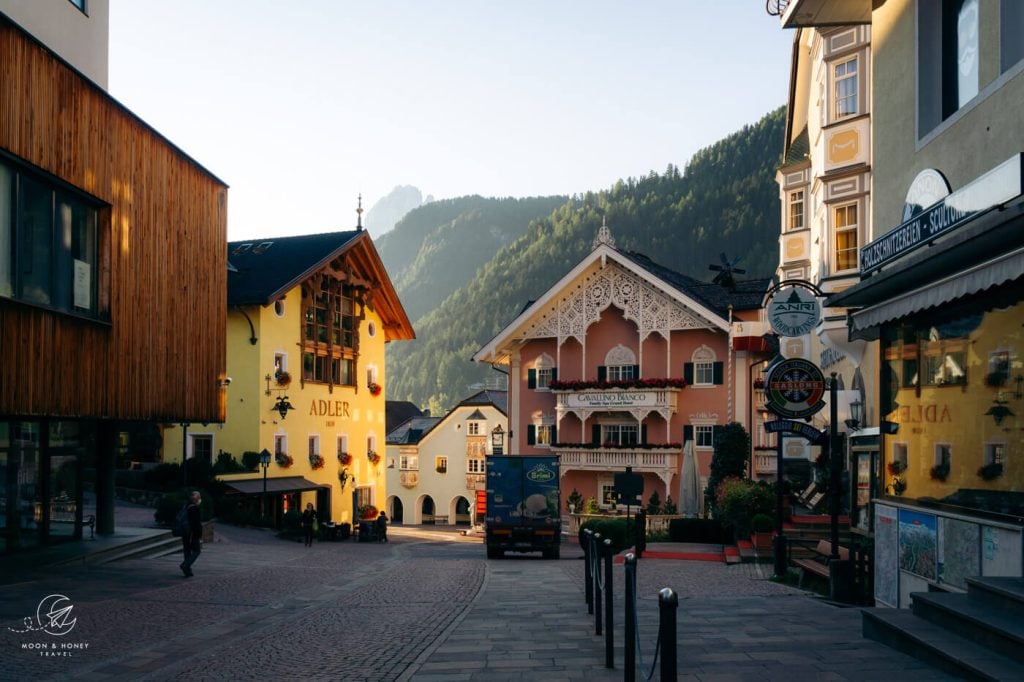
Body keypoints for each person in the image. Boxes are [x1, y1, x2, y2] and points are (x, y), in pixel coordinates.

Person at [179, 491, 202, 577]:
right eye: (199, 498)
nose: (200, 500)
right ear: (196, 499)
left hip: (185, 531)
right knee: (197, 551)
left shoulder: (186, 506)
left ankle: (187, 570)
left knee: (187, 550)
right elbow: (196, 523)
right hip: (192, 533)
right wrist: (198, 533)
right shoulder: (194, 508)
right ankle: (186, 564)